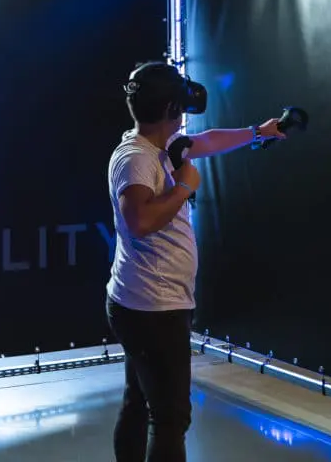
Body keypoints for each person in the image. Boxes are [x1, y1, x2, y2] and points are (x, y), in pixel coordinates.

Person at [106, 61, 286, 462]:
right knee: (170, 418)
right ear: (171, 108)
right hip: (154, 309)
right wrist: (183, 188)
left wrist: (258, 132)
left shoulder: (158, 145)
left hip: (145, 303)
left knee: (139, 401)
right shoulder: (137, 158)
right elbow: (140, 222)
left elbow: (206, 141)